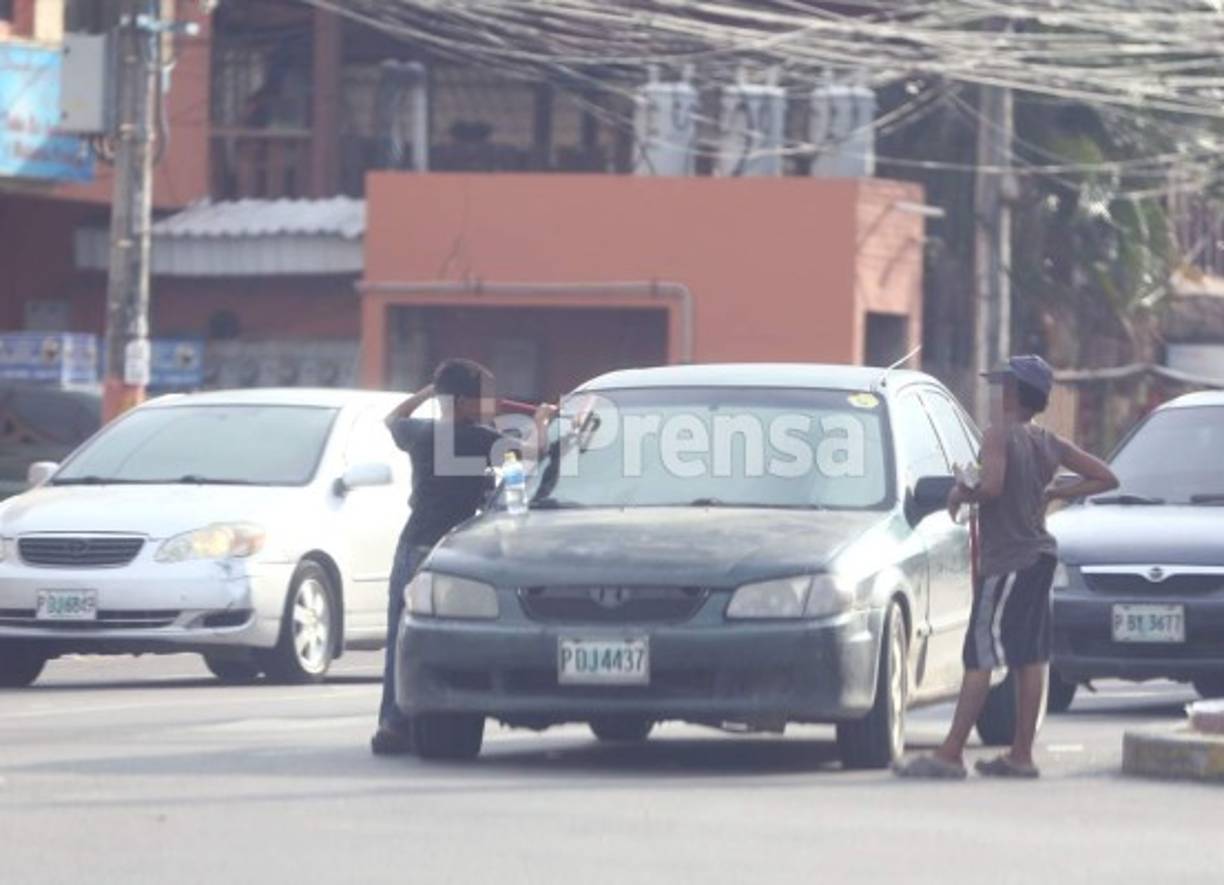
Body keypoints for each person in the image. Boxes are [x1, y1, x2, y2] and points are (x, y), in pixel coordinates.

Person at [895, 355, 1118, 779]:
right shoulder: (1049, 441)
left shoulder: (999, 436)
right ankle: (1020, 755)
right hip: (1039, 558)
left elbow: (992, 486)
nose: (999, 394)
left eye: (1003, 387)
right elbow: (1106, 477)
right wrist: (1055, 490)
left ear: (1013, 393)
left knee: (980, 655)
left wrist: (962, 492)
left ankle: (949, 753)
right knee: (1028, 657)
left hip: (1008, 562)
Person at [371, 359, 555, 755]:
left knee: (399, 639)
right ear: (466, 403)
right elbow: (533, 453)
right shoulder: (480, 440)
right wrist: (541, 419)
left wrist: (429, 392)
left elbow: (393, 418)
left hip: (409, 547)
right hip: (445, 554)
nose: (493, 402)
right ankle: (408, 720)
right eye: (485, 397)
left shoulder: (422, 433)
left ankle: (392, 723)